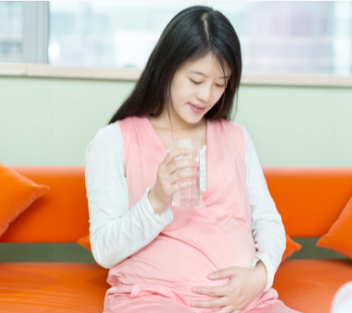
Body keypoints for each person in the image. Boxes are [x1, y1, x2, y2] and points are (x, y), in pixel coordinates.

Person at [85, 5, 301, 313]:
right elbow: (105, 250)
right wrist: (156, 199)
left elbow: (267, 221)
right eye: (196, 80)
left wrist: (260, 276)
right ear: (167, 67)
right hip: (154, 299)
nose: (206, 96)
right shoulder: (113, 141)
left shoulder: (237, 137)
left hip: (245, 302)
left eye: (220, 83)